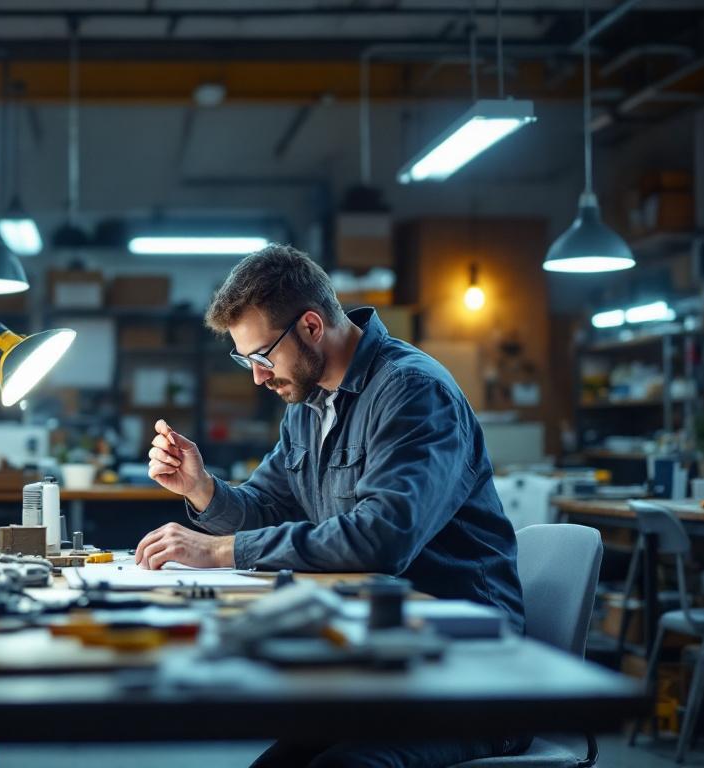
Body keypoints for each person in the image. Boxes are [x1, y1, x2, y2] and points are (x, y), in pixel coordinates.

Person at [133, 244, 528, 767]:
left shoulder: (413, 392)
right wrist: (202, 487)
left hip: (467, 675)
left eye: (261, 356)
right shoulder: (308, 403)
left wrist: (220, 552)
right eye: (244, 359)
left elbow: (381, 538)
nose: (256, 376)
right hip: (381, 653)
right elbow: (270, 505)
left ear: (312, 327)